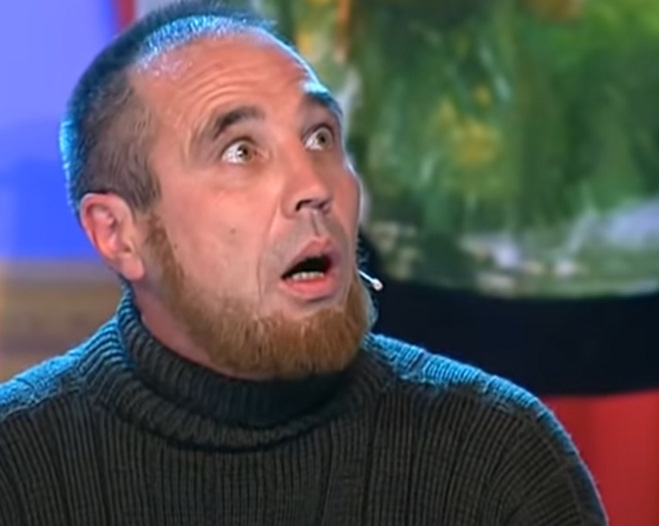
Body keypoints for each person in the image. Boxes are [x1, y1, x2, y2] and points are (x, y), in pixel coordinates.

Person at [0, 1, 607, 524]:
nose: (313, 187)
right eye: (241, 151)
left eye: (320, 138)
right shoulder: (18, 467)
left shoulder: (498, 458)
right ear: (118, 234)